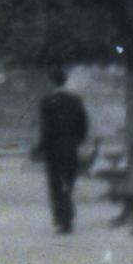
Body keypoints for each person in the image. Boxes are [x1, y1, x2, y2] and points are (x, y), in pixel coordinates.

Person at [34, 69, 90, 234]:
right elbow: (84, 124)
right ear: (65, 81)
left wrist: (40, 148)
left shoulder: (47, 102)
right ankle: (68, 216)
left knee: (56, 185)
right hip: (71, 148)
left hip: (53, 150)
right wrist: (78, 141)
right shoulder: (76, 100)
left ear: (52, 82)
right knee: (69, 183)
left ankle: (62, 219)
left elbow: (46, 128)